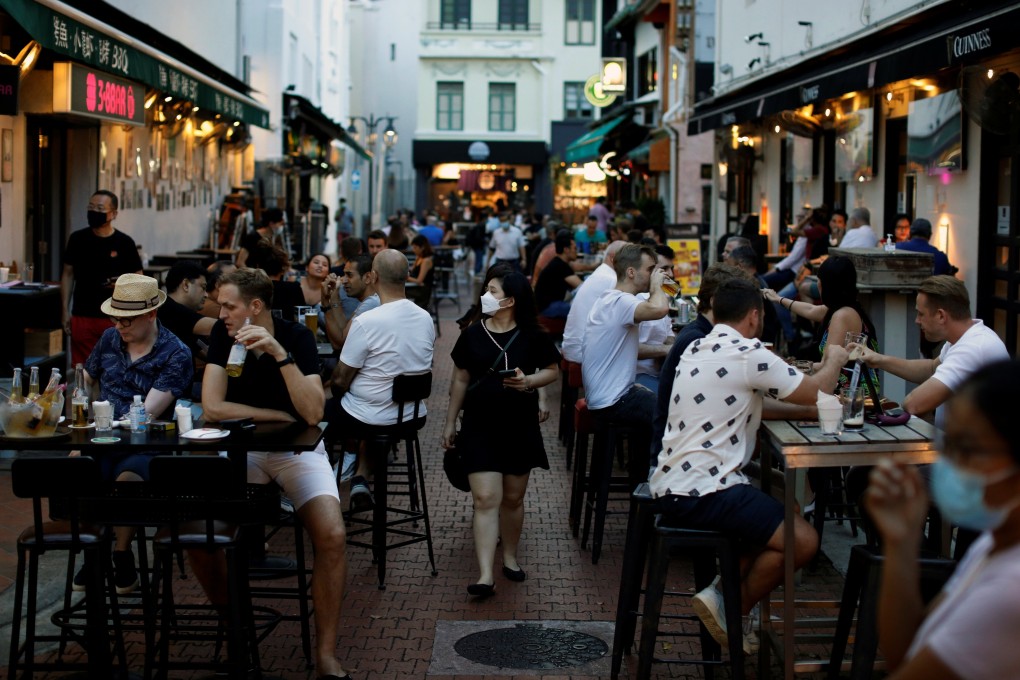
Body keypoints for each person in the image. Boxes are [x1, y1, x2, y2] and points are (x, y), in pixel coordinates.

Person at [649, 278, 849, 652]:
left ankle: (721, 593)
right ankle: (733, 612)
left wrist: (805, 410)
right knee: (804, 541)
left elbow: (747, 400)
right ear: (755, 316)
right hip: (704, 491)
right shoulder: (748, 353)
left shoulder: (698, 345)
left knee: (788, 510)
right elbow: (818, 388)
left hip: (672, 482)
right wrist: (835, 359)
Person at [196, 267, 349, 679]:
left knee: (333, 536)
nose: (220, 312)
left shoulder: (295, 337)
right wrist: (275, 414)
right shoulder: (220, 336)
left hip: (296, 453)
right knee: (201, 536)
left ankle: (326, 654)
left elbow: (314, 412)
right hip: (241, 452)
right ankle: (236, 628)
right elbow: (212, 407)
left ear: (255, 307)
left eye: (228, 306)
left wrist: (278, 355)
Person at [865, 360, 1020, 679]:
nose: (952, 464)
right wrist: (902, 543)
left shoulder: (1009, 591)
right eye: (949, 445)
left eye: (969, 449)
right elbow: (908, 650)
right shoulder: (997, 540)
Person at [442, 269, 560, 596]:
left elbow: (552, 370)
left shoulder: (533, 335)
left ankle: (509, 556)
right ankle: (484, 575)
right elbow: (460, 380)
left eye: (491, 291)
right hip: (479, 424)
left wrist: (530, 383)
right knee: (485, 498)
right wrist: (451, 422)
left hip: (519, 425)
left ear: (510, 300)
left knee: (512, 498)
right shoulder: (472, 333)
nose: (485, 295)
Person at [75, 273, 193, 593]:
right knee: (77, 467)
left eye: (127, 320)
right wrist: (73, 396)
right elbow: (85, 378)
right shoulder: (109, 339)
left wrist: (103, 424)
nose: (119, 326)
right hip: (102, 438)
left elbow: (146, 413)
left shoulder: (175, 353)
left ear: (151, 314)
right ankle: (92, 550)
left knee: (125, 480)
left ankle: (121, 553)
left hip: (147, 443)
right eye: (115, 318)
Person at [327, 250, 436, 510]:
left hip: (369, 417)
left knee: (316, 418)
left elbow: (340, 381)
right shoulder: (425, 318)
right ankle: (360, 477)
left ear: (373, 277)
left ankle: (316, 489)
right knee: (372, 410)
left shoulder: (367, 321)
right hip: (411, 416)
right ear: (408, 275)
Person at [853, 275, 1009, 429]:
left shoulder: (972, 348)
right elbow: (931, 369)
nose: (917, 321)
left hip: (981, 452)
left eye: (921, 314)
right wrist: (878, 360)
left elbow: (914, 404)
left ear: (941, 315)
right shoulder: (966, 337)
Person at [581, 244, 670, 472]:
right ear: (631, 272)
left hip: (606, 397)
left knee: (659, 404)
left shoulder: (610, 300)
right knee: (671, 416)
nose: (654, 274)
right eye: (651, 269)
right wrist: (659, 286)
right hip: (612, 401)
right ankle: (656, 482)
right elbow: (658, 310)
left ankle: (641, 476)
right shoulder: (619, 301)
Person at [767, 255, 881, 397]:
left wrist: (786, 366)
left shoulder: (842, 315)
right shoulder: (844, 307)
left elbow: (826, 366)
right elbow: (811, 310)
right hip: (847, 392)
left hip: (850, 396)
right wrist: (778, 299)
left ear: (823, 285)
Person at [61, 190, 144, 366]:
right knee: (83, 368)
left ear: (113, 213)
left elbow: (138, 278)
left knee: (114, 367)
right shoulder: (77, 239)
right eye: (90, 207)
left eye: (100, 208)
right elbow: (68, 274)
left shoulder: (124, 242)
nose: (94, 212)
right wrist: (64, 310)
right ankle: (86, 395)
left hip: (115, 317)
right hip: (83, 314)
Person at [561, 240, 626, 363]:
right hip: (582, 352)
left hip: (575, 347)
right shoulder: (610, 279)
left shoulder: (603, 273)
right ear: (613, 258)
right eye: (628, 258)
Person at [634, 245, 676, 392]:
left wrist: (674, 346)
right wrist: (667, 350)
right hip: (636, 378)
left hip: (658, 375)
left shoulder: (662, 295)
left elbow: (669, 335)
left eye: (672, 268)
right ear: (651, 270)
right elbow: (631, 349)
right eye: (665, 269)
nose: (670, 274)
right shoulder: (637, 299)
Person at [323, 253, 381, 352]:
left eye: (349, 275)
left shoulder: (372, 303)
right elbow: (342, 332)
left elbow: (341, 343)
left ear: (367, 277)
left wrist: (325, 303)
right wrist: (334, 297)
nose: (343, 280)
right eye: (344, 274)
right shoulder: (368, 300)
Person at [159, 260, 217, 358]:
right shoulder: (168, 310)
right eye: (203, 287)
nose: (206, 295)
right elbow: (220, 327)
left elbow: (206, 351)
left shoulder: (182, 318)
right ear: (186, 285)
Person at [249, 242, 304, 322]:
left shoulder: (251, 289)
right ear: (283, 269)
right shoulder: (294, 288)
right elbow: (302, 316)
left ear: (258, 267)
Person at [533, 230, 582, 318]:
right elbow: (582, 287)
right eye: (574, 248)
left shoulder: (558, 262)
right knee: (581, 309)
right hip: (547, 307)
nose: (576, 251)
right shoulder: (560, 266)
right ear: (566, 250)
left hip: (545, 304)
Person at [406, 234, 435, 309]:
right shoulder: (419, 258)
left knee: (398, 292)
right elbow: (412, 270)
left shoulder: (426, 261)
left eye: (415, 248)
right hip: (417, 287)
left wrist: (405, 277)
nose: (413, 250)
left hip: (422, 290)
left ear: (422, 248)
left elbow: (419, 280)